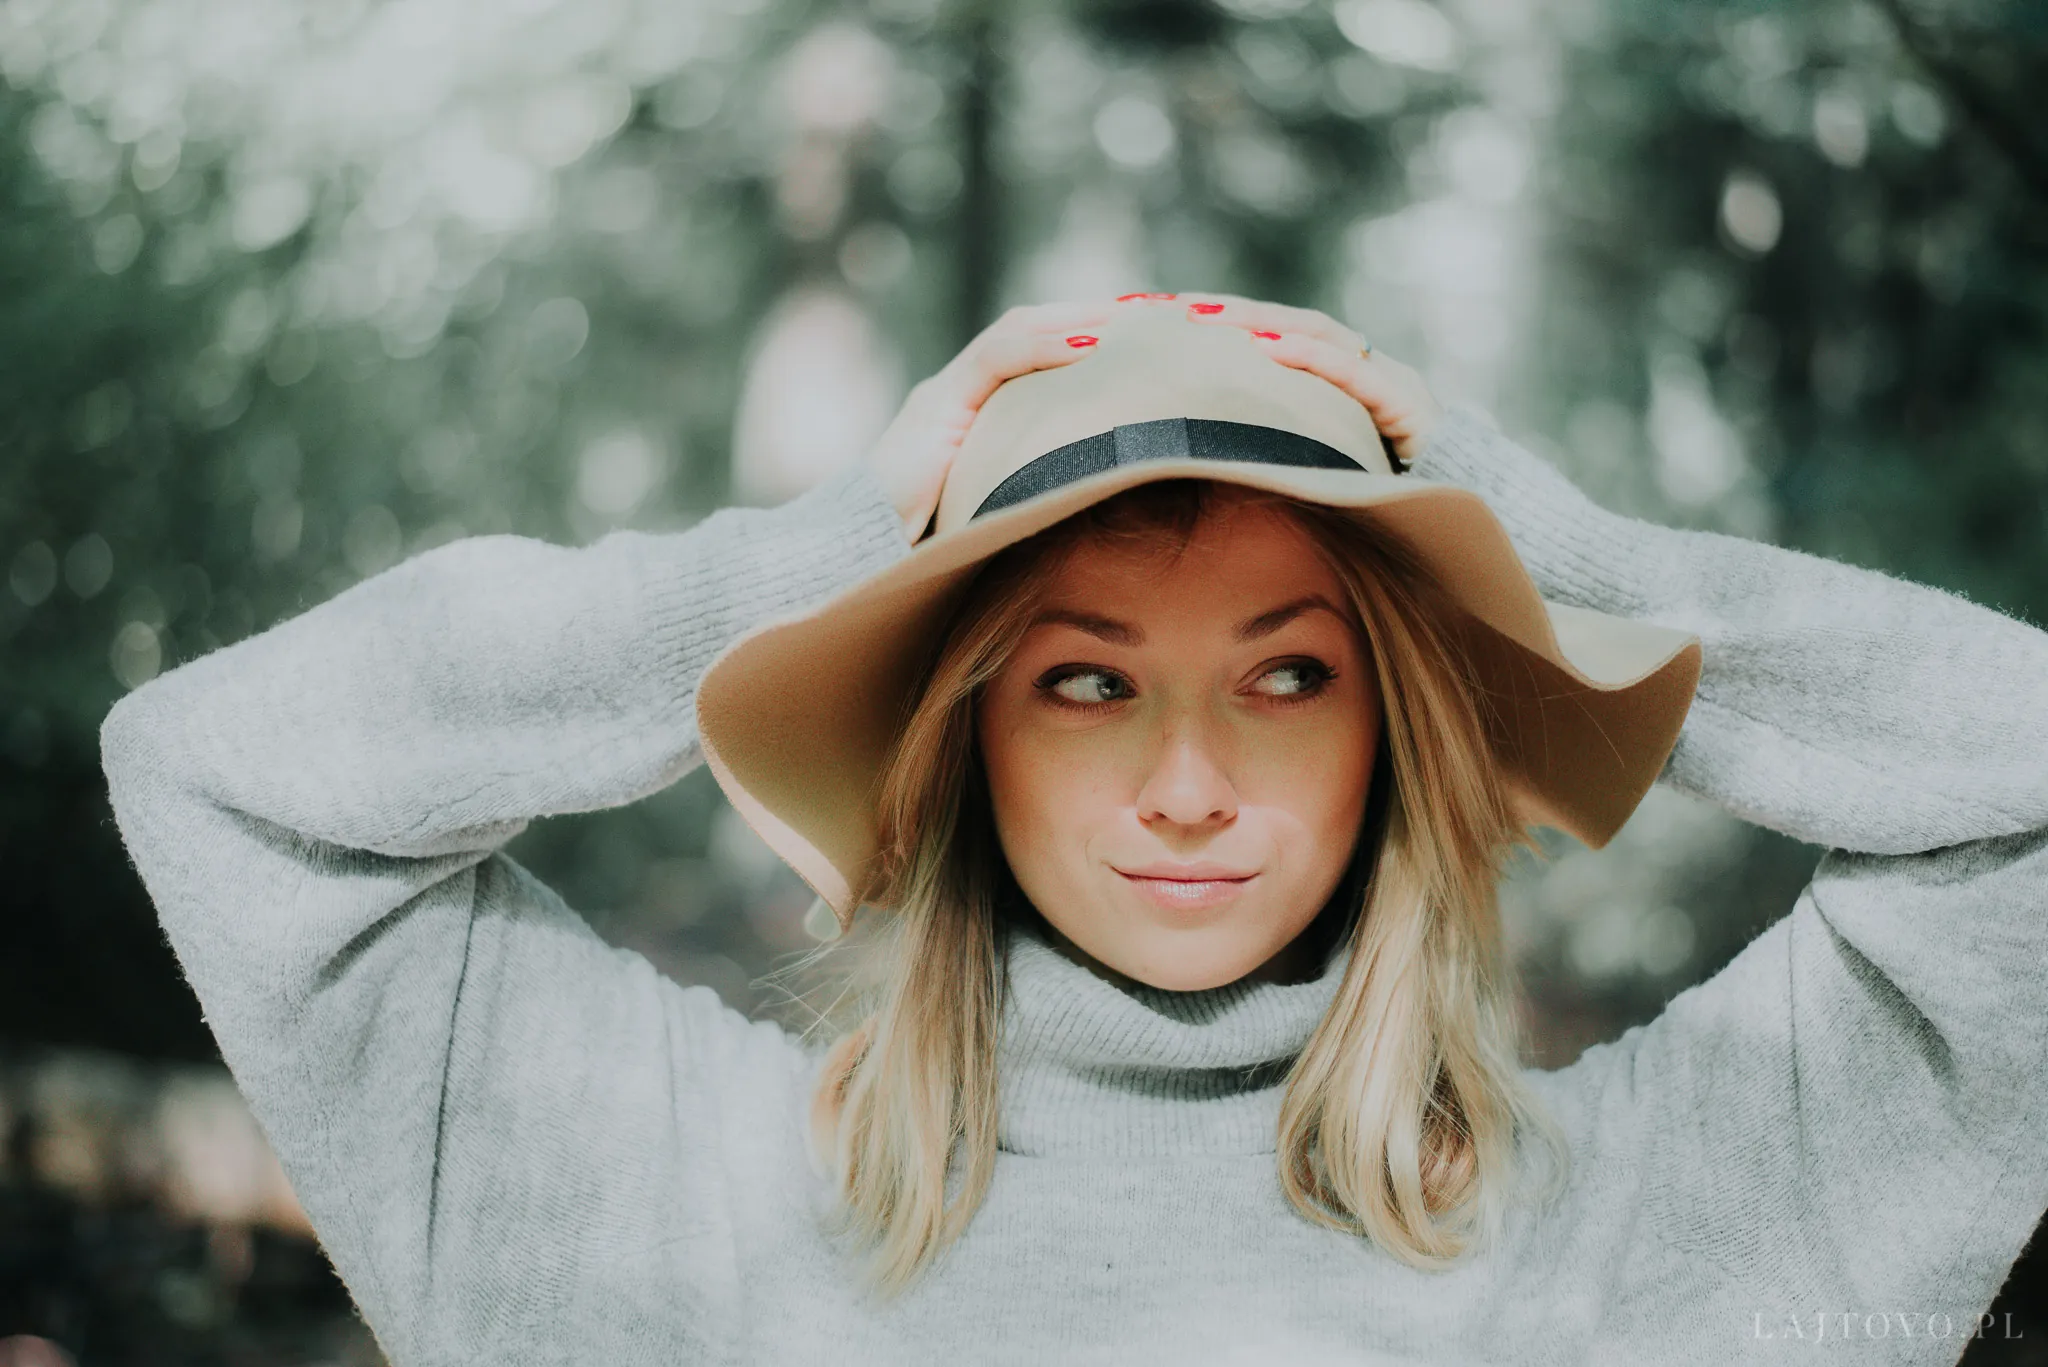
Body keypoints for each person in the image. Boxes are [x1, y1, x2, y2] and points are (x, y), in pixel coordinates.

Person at [100, 294, 2048, 1364]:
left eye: (1289, 673)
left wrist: (1557, 566)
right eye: (1085, 677)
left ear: (1396, 726)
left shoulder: (1668, 1220)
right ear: (958, 731)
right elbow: (220, 763)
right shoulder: (663, 1187)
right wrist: (819, 561)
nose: (1185, 777)